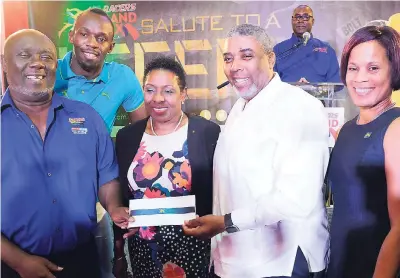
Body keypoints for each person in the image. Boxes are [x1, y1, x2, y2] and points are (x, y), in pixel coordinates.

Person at [183, 24, 329, 278]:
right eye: (228, 58)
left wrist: (226, 222)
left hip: (280, 264)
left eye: (246, 56)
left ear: (270, 59)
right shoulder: (239, 109)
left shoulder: (301, 107)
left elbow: (296, 199)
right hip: (234, 260)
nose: (235, 66)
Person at [1, 29, 132, 278]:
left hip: (83, 261)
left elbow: (106, 177)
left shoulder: (87, 117)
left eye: (47, 57)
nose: (38, 63)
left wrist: (114, 206)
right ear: (4, 63)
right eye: (25, 55)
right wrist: (19, 262)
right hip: (12, 265)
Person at [53, 8, 146, 277]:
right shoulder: (50, 74)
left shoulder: (123, 77)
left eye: (101, 38)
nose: (92, 43)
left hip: (98, 193)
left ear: (111, 46)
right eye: (84, 34)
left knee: (101, 268)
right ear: (72, 35)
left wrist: (110, 163)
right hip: (52, 190)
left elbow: (140, 133)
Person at [112, 56, 220, 278]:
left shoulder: (207, 132)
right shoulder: (127, 136)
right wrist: (119, 250)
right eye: (150, 90)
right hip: (143, 250)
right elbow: (122, 196)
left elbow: (221, 194)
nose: (158, 99)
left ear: (184, 94)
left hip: (194, 247)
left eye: (168, 91)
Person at [326, 25, 400, 278]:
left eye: (373, 68)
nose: (360, 78)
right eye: (353, 68)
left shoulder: (396, 127)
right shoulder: (347, 129)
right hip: (341, 265)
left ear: (394, 70)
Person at [273, 5, 340, 83]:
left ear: (313, 21)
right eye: (297, 17)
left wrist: (313, 88)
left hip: (317, 95)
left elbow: (335, 83)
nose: (300, 20)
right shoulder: (279, 49)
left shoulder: (327, 50)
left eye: (305, 17)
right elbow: (272, 82)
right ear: (292, 21)